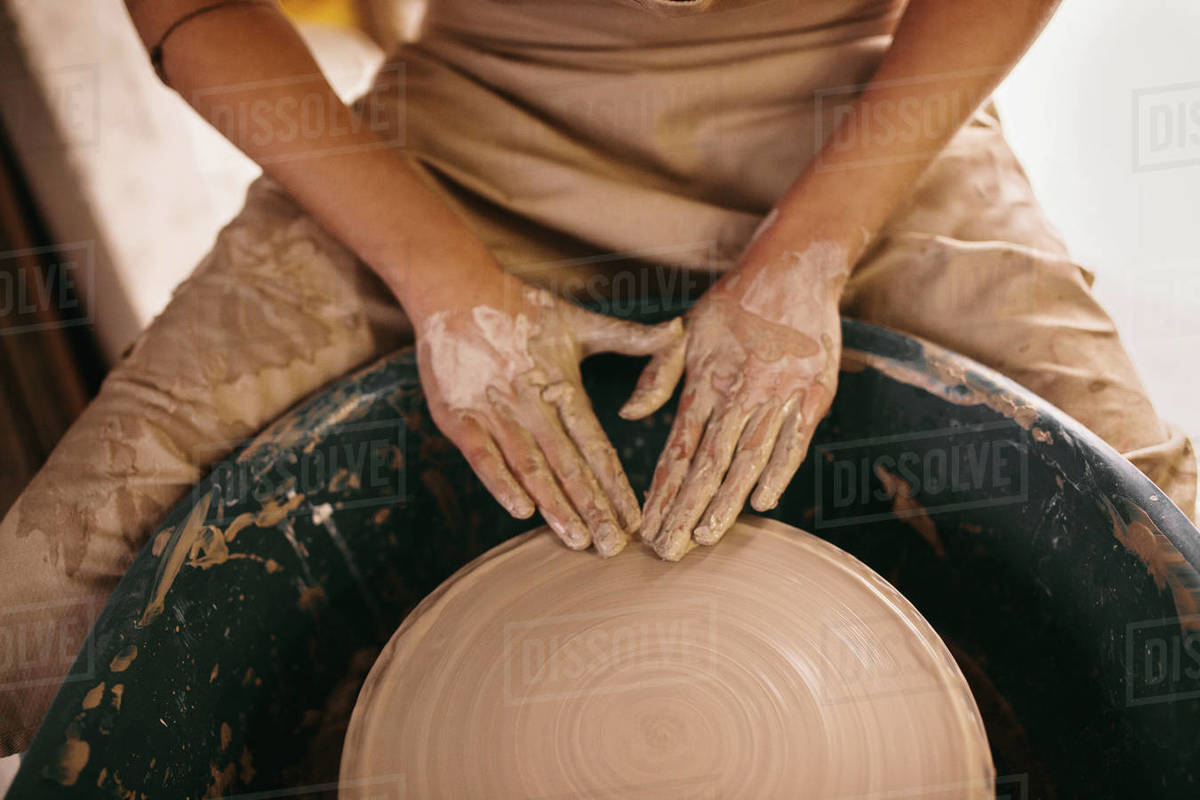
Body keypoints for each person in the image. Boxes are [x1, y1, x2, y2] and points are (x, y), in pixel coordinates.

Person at [0, 0, 1194, 754]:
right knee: (36, 612)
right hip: (478, 113)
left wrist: (811, 249)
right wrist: (444, 283)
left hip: (856, 108)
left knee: (1168, 590)